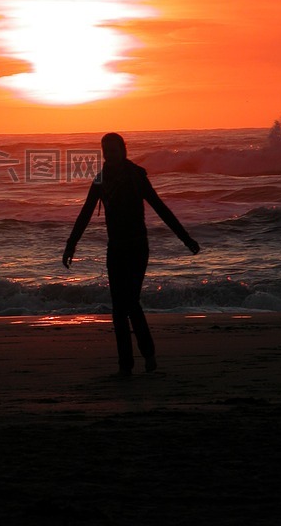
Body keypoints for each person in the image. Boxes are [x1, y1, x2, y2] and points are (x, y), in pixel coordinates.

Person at [62, 132, 200, 378]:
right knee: (118, 309)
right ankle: (125, 365)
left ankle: (148, 354)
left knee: (131, 303)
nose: (109, 154)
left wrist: (185, 238)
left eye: (113, 150)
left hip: (137, 247)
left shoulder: (136, 176)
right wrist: (71, 245)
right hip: (115, 248)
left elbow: (160, 207)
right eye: (105, 150)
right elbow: (84, 214)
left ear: (123, 150)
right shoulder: (100, 180)